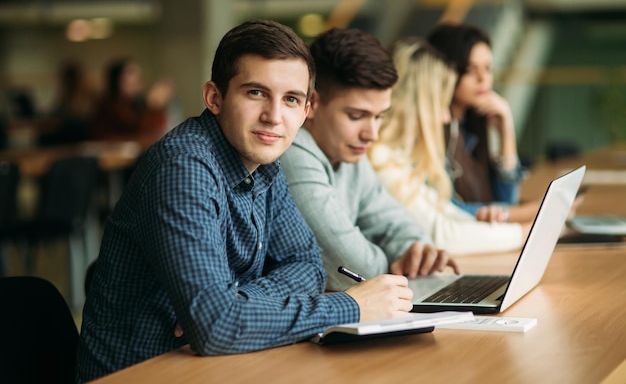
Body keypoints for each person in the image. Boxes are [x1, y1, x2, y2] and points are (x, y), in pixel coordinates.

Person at [76, 19, 416, 383]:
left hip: (216, 367)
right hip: (142, 374)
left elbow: (308, 266)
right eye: (256, 93)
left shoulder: (264, 163)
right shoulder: (183, 168)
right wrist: (348, 306)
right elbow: (217, 327)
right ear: (214, 98)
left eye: (290, 99)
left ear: (305, 110)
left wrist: (238, 301)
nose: (273, 116)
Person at [280, 27, 459, 293]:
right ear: (313, 103)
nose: (371, 134)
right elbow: (353, 271)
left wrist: (412, 250)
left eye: (379, 116)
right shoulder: (292, 154)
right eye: (356, 116)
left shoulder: (348, 152)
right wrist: (402, 263)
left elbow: (396, 222)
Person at [368, 37, 531, 254]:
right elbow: (442, 235)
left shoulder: (401, 155)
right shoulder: (381, 156)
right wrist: (523, 232)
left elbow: (446, 213)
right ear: (420, 104)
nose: (446, 118)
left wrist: (516, 226)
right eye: (442, 104)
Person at [426, 22, 528, 219]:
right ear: (446, 72)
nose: (483, 78)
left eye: (488, 68)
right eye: (471, 70)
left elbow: (507, 202)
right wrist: (524, 213)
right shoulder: (432, 134)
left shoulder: (470, 131)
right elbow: (446, 212)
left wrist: (506, 133)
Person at [90, 57, 174, 141]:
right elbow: (140, 133)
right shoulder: (108, 106)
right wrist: (154, 106)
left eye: (138, 76)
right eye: (130, 73)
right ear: (117, 79)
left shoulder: (137, 105)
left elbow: (156, 133)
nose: (136, 79)